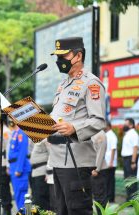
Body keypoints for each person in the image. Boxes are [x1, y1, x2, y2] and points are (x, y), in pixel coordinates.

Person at [47, 37, 106, 215]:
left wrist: (74, 128)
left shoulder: (91, 83)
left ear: (78, 56)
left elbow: (99, 120)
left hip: (76, 161)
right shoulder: (63, 85)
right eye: (57, 57)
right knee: (62, 211)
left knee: (78, 211)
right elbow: (58, 117)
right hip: (57, 160)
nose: (59, 61)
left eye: (63, 56)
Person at [8, 124, 31, 210]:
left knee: (21, 195)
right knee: (17, 194)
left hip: (19, 166)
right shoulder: (15, 132)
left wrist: (19, 168)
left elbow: (22, 151)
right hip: (13, 165)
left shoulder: (22, 133)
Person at [0, 118, 12, 215]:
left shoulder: (6, 132)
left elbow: (8, 148)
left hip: (3, 163)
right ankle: (4, 206)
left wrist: (8, 164)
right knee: (1, 186)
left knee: (4, 186)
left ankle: (7, 208)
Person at [121, 118, 139, 201]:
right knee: (127, 179)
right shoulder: (128, 134)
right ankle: (129, 199)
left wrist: (133, 162)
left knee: (131, 179)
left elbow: (135, 147)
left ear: (131, 125)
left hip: (130, 159)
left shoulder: (134, 134)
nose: (124, 125)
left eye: (126, 124)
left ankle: (133, 201)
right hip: (126, 159)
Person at [91, 131, 108, 215]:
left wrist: (96, 169)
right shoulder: (91, 132)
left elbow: (101, 152)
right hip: (91, 169)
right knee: (96, 196)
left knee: (100, 197)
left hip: (98, 170)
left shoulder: (100, 134)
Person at [30, 139, 50, 210]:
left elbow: (51, 154)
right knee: (36, 199)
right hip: (35, 172)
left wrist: (48, 172)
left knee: (42, 198)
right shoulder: (36, 139)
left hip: (42, 172)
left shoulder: (46, 138)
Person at [105, 121, 117, 203]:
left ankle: (111, 198)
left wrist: (111, 162)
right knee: (107, 181)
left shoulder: (112, 135)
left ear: (108, 126)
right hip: (107, 162)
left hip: (110, 163)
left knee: (110, 181)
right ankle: (108, 197)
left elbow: (113, 149)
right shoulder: (107, 134)